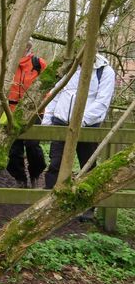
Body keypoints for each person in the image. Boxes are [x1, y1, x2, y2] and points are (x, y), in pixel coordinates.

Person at [42, 53, 116, 194]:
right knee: (56, 163)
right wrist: (48, 118)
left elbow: (102, 102)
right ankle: (47, 198)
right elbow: (56, 92)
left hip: (87, 126)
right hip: (61, 121)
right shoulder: (69, 68)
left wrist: (80, 121)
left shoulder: (105, 72)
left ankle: (88, 204)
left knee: (87, 165)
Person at [6, 41, 48, 188]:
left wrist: (43, 105)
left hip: (34, 110)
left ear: (28, 46)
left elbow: (49, 87)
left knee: (32, 145)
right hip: (11, 110)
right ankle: (20, 179)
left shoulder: (39, 64)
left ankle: (36, 175)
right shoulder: (8, 64)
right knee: (13, 149)